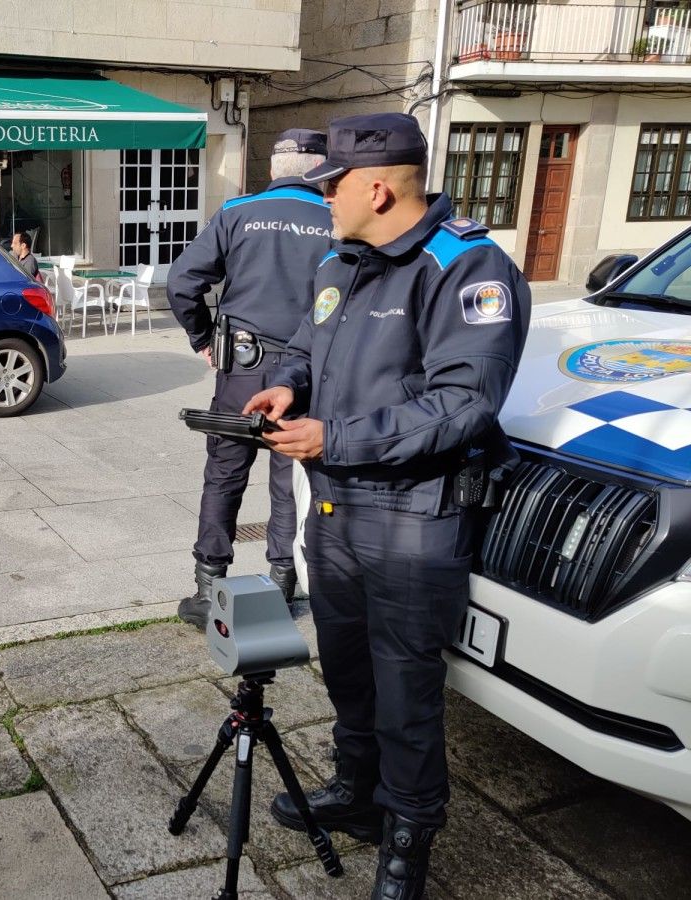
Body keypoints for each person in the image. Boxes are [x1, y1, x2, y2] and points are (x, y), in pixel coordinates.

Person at [242, 113, 531, 899]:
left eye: (329, 186)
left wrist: (333, 437)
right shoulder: (343, 259)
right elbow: (309, 343)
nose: (323, 201)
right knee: (347, 670)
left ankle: (409, 839)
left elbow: (462, 405)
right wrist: (288, 383)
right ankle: (359, 794)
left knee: (406, 694)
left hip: (413, 518)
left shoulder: (467, 269)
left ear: (374, 187)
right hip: (335, 511)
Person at [166, 128, 334, 627]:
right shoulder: (336, 219)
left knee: (224, 474)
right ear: (322, 173)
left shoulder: (237, 213)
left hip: (242, 366)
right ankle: (282, 585)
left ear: (272, 172)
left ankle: (209, 587)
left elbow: (182, 282)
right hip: (307, 373)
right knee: (291, 478)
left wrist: (202, 338)